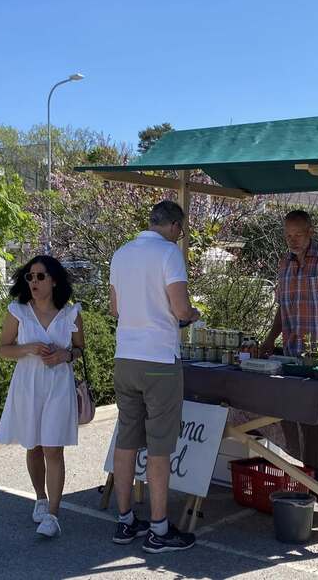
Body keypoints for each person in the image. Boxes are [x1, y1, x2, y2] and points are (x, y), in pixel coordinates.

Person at [109, 200, 200, 553]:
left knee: (126, 439)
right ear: (175, 226)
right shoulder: (168, 254)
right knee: (160, 445)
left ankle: (125, 520)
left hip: (125, 357)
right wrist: (191, 314)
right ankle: (159, 530)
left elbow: (115, 309)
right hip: (158, 359)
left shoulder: (121, 254)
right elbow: (179, 308)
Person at [260, 209, 318, 487]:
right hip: (291, 354)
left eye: (298, 234)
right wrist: (268, 340)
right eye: (288, 235)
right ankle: (311, 474)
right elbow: (281, 309)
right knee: (299, 416)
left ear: (310, 232)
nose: (293, 240)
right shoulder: (284, 263)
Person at [0, 255, 85, 538]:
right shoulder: (18, 311)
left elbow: (80, 349)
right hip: (27, 385)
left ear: (54, 280)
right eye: (30, 277)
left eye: (40, 277)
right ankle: (40, 497)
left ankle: (54, 515)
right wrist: (29, 348)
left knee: (53, 448)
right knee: (33, 445)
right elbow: (3, 349)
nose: (34, 282)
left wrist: (65, 355)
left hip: (59, 386)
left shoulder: (71, 313)